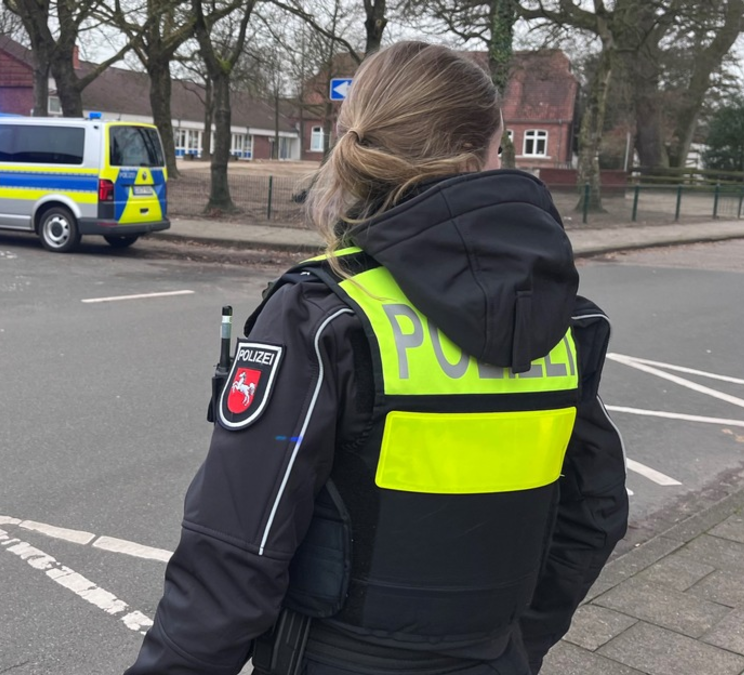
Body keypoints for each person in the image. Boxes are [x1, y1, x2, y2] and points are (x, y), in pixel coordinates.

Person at [124, 41, 629, 675]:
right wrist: (513, 645)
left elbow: (235, 549)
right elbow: (595, 511)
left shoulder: (324, 317)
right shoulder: (565, 321)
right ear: (488, 149)